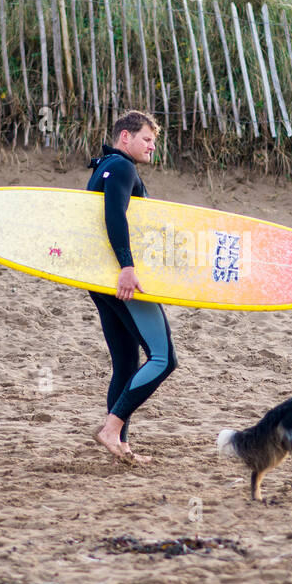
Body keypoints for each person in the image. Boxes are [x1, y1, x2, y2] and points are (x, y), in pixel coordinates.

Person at [87, 110, 177, 463]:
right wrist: (127, 266)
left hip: (99, 280)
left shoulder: (103, 167)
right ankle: (111, 428)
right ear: (125, 136)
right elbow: (114, 215)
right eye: (147, 139)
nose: (152, 147)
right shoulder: (123, 168)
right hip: (122, 280)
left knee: (126, 364)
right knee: (163, 358)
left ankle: (121, 445)